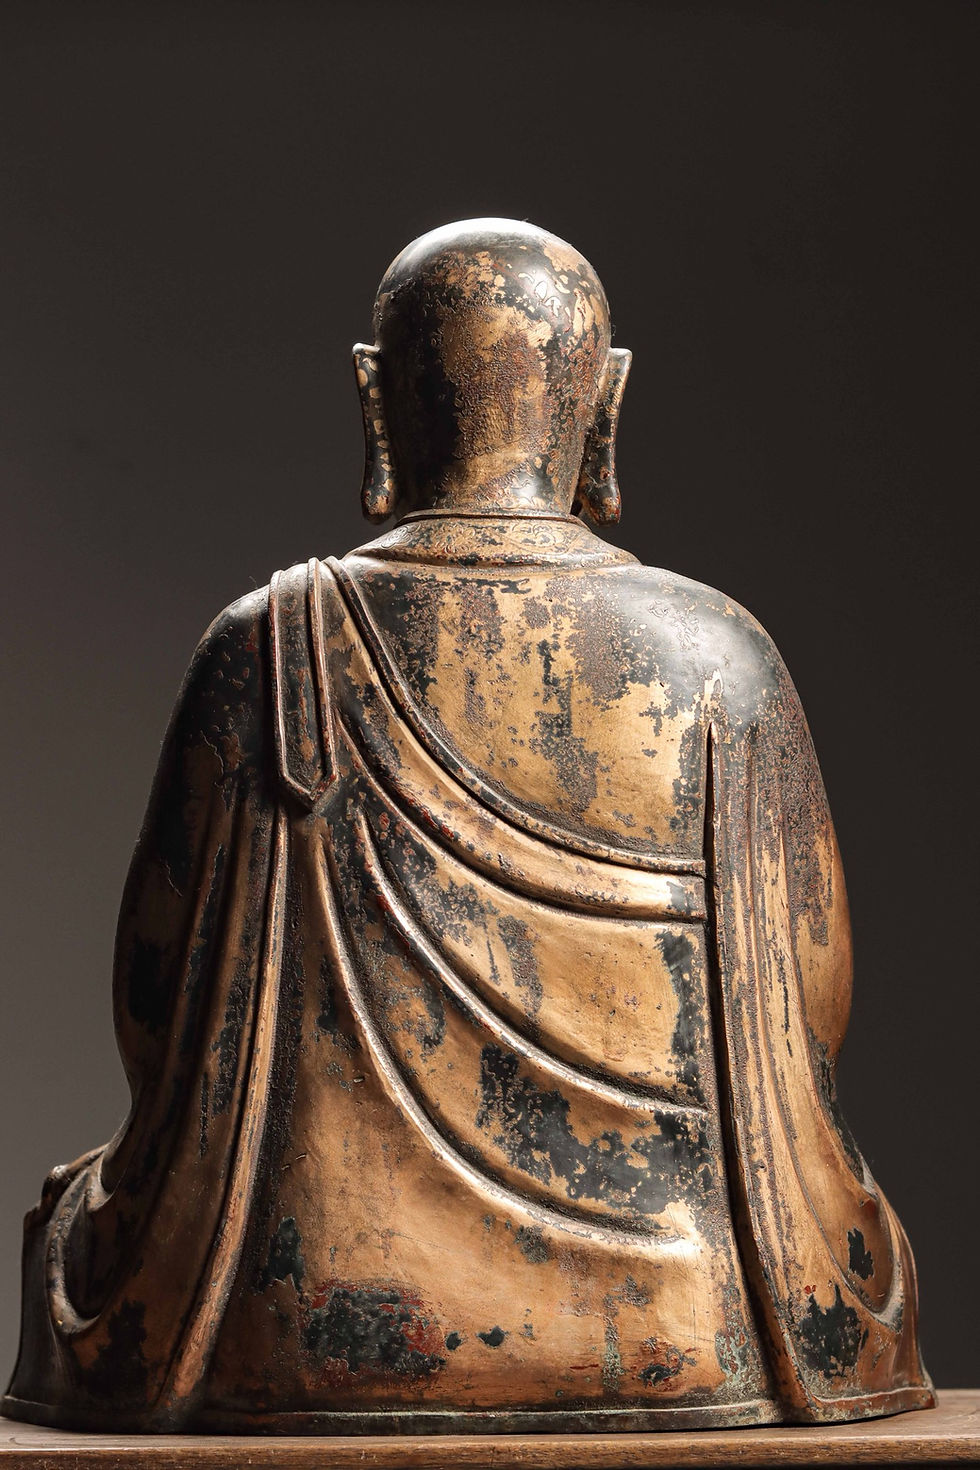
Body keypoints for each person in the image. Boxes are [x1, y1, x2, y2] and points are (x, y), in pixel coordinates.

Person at [3, 219, 933, 1433]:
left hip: (306, 1319)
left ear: (373, 398)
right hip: (682, 1316)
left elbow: (155, 1010)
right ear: (601, 402)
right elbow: (806, 1023)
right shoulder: (719, 658)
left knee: (69, 1222)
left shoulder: (268, 647)